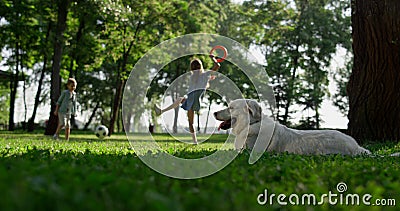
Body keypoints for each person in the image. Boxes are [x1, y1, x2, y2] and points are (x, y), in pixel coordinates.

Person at [155, 55, 220, 144]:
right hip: (194, 100)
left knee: (181, 100)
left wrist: (211, 63)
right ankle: (195, 142)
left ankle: (162, 111)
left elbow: (216, 67)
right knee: (190, 123)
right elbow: (217, 65)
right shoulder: (200, 76)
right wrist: (212, 59)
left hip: (192, 99)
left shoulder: (201, 76)